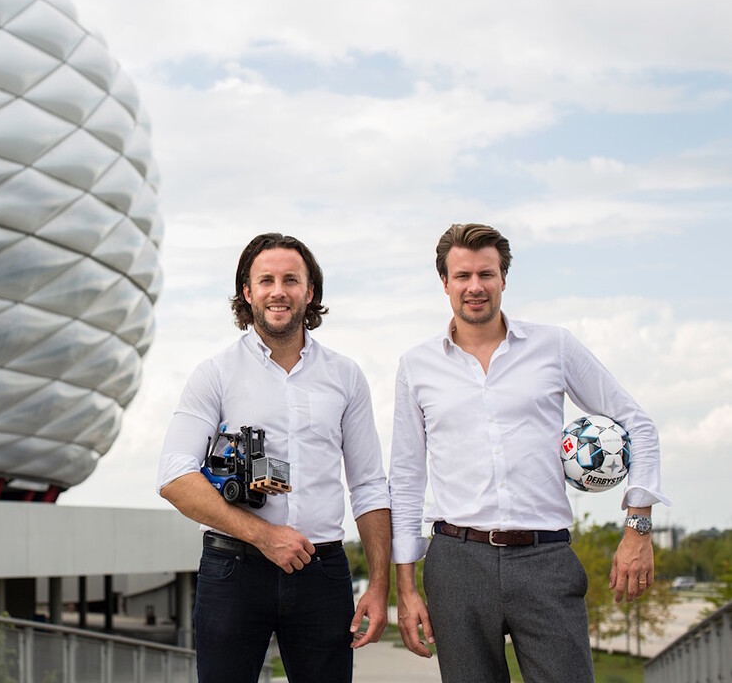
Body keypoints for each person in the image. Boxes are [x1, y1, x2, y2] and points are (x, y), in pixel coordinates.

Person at [389, 223, 671, 683]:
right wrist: (406, 585)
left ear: (504, 278)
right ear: (445, 283)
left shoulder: (553, 346)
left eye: (486, 274)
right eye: (462, 276)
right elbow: (404, 478)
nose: (474, 287)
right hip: (457, 563)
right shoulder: (416, 365)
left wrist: (638, 527)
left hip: (545, 559)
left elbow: (637, 423)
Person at [157, 232, 392, 683]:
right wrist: (264, 535)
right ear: (247, 292)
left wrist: (379, 583)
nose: (278, 291)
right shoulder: (216, 374)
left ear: (310, 292)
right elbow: (173, 476)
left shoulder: (346, 376)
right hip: (233, 570)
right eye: (266, 280)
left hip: (322, 573)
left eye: (291, 279)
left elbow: (368, 485)